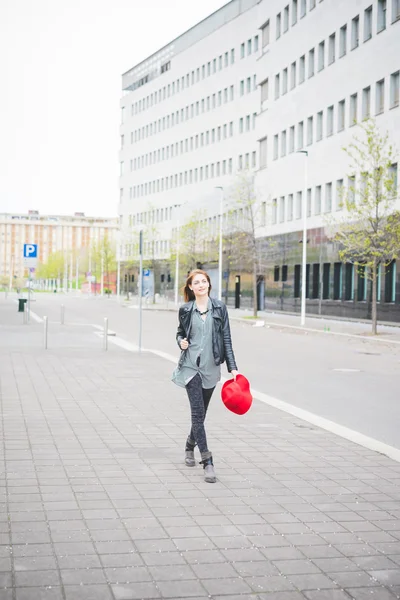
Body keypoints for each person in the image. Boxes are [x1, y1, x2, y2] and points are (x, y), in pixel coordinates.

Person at [172, 269, 238, 483]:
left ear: (208, 285)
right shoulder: (185, 310)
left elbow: (226, 338)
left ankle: (190, 445)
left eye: (204, 281)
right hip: (191, 368)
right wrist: (180, 341)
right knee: (197, 414)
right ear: (190, 287)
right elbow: (180, 332)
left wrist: (233, 368)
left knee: (201, 415)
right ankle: (208, 461)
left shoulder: (219, 308)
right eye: (196, 282)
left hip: (211, 367)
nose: (200, 285)